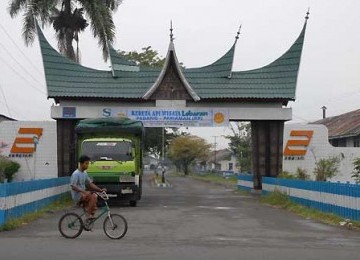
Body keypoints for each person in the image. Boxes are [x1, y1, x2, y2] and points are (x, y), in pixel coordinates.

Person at [70, 155, 106, 219]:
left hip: (83, 194)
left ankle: (90, 218)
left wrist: (100, 190)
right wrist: (84, 192)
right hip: (77, 196)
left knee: (95, 197)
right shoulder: (76, 174)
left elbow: (90, 184)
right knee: (93, 196)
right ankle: (88, 215)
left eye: (88, 164)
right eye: (86, 163)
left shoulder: (84, 173)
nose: (87, 165)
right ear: (81, 164)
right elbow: (73, 186)